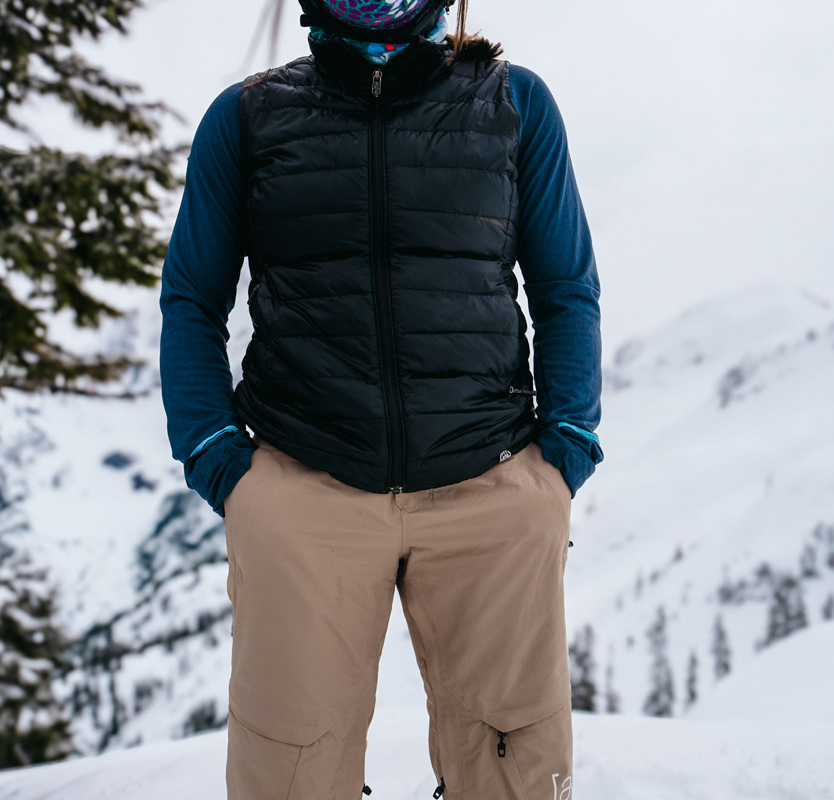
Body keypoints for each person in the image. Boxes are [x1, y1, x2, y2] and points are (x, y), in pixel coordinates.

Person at [158, 1, 604, 797]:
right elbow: (192, 298)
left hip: (491, 486)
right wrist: (218, 459)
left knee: (515, 775)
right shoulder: (247, 117)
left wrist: (562, 451)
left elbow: (565, 286)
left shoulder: (514, 103)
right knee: (287, 775)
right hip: (303, 489)